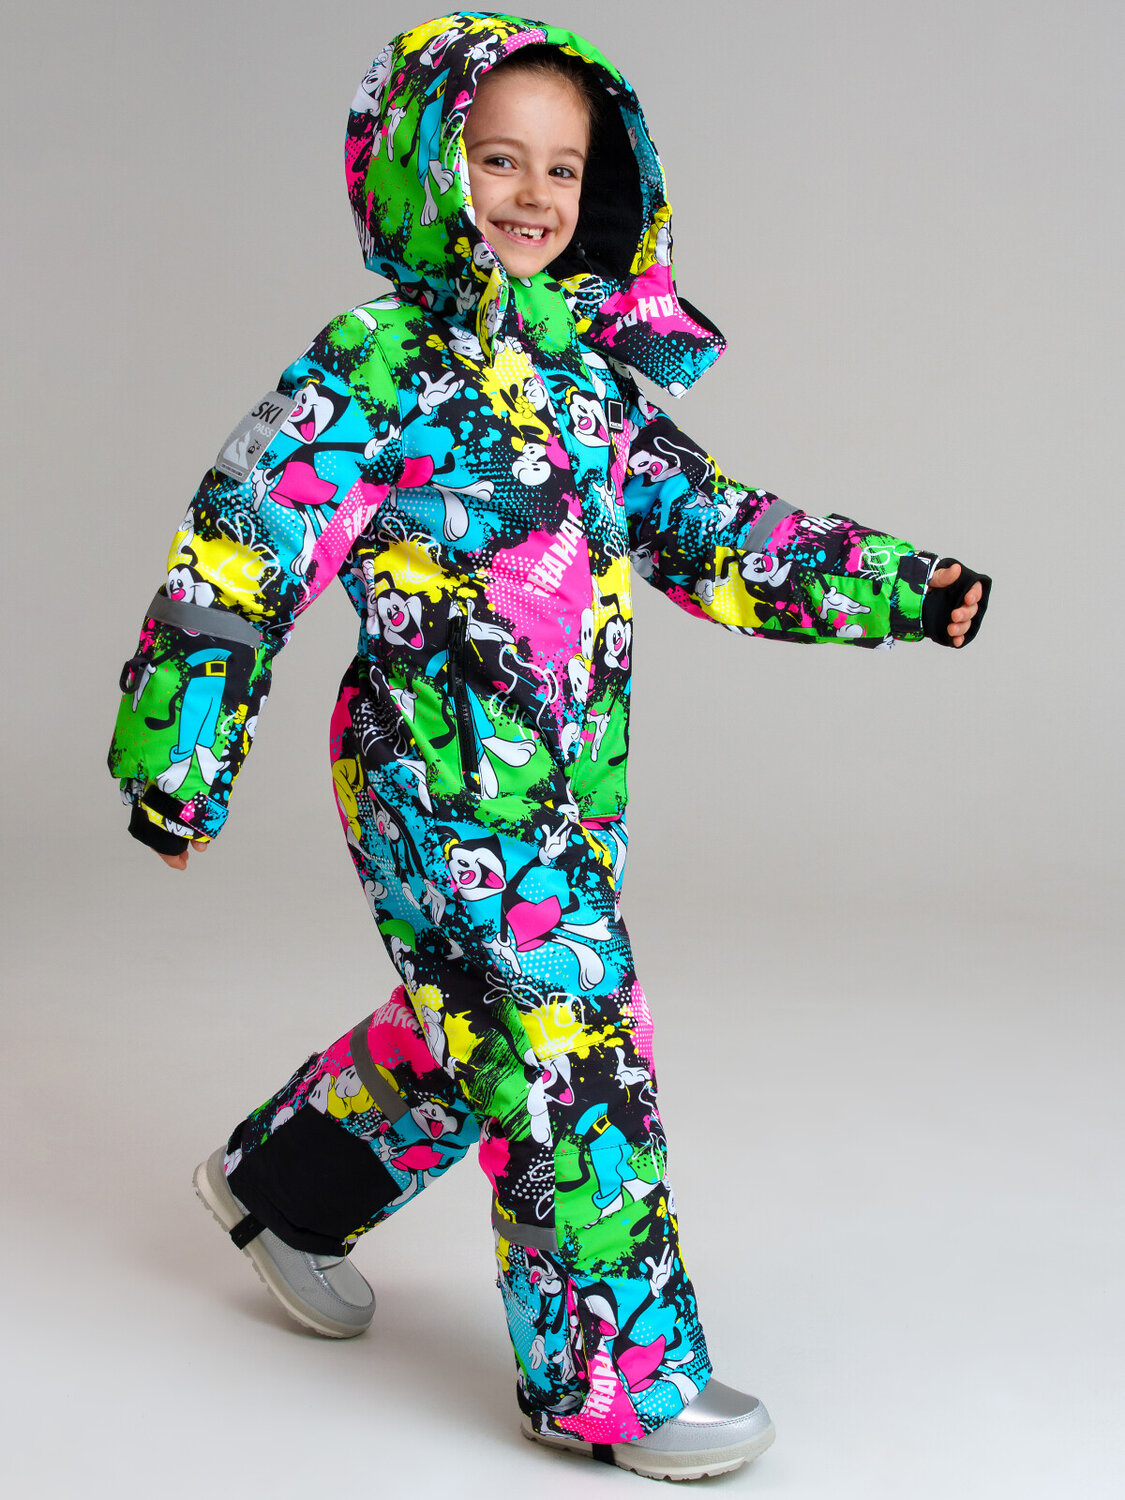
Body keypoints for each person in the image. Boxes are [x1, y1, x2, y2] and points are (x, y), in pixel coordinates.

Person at [108, 11, 990, 1483]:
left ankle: (286, 1184)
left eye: (562, 169)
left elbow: (715, 532)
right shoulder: (371, 368)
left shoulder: (585, 378)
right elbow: (237, 559)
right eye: (495, 158)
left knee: (480, 1025)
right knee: (572, 1045)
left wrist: (901, 585)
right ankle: (613, 1382)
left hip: (566, 785)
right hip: (428, 777)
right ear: (421, 167)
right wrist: (174, 767)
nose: (530, 195)